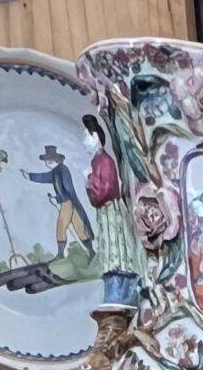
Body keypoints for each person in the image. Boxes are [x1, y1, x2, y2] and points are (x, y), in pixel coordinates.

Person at [81, 114, 137, 308]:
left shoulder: (104, 160)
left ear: (95, 137)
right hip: (106, 212)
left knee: (116, 251)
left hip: (111, 211)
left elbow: (106, 189)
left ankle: (120, 294)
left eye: (86, 136)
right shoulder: (98, 161)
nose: (84, 141)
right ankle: (116, 292)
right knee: (110, 249)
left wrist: (89, 180)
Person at [27, 144, 94, 258]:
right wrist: (29, 176)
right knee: (79, 227)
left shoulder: (62, 170)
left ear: (54, 160)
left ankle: (61, 255)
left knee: (61, 226)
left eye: (48, 160)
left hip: (67, 202)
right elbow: (44, 177)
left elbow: (68, 188)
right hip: (68, 201)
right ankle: (91, 252)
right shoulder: (56, 171)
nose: (46, 162)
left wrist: (58, 199)